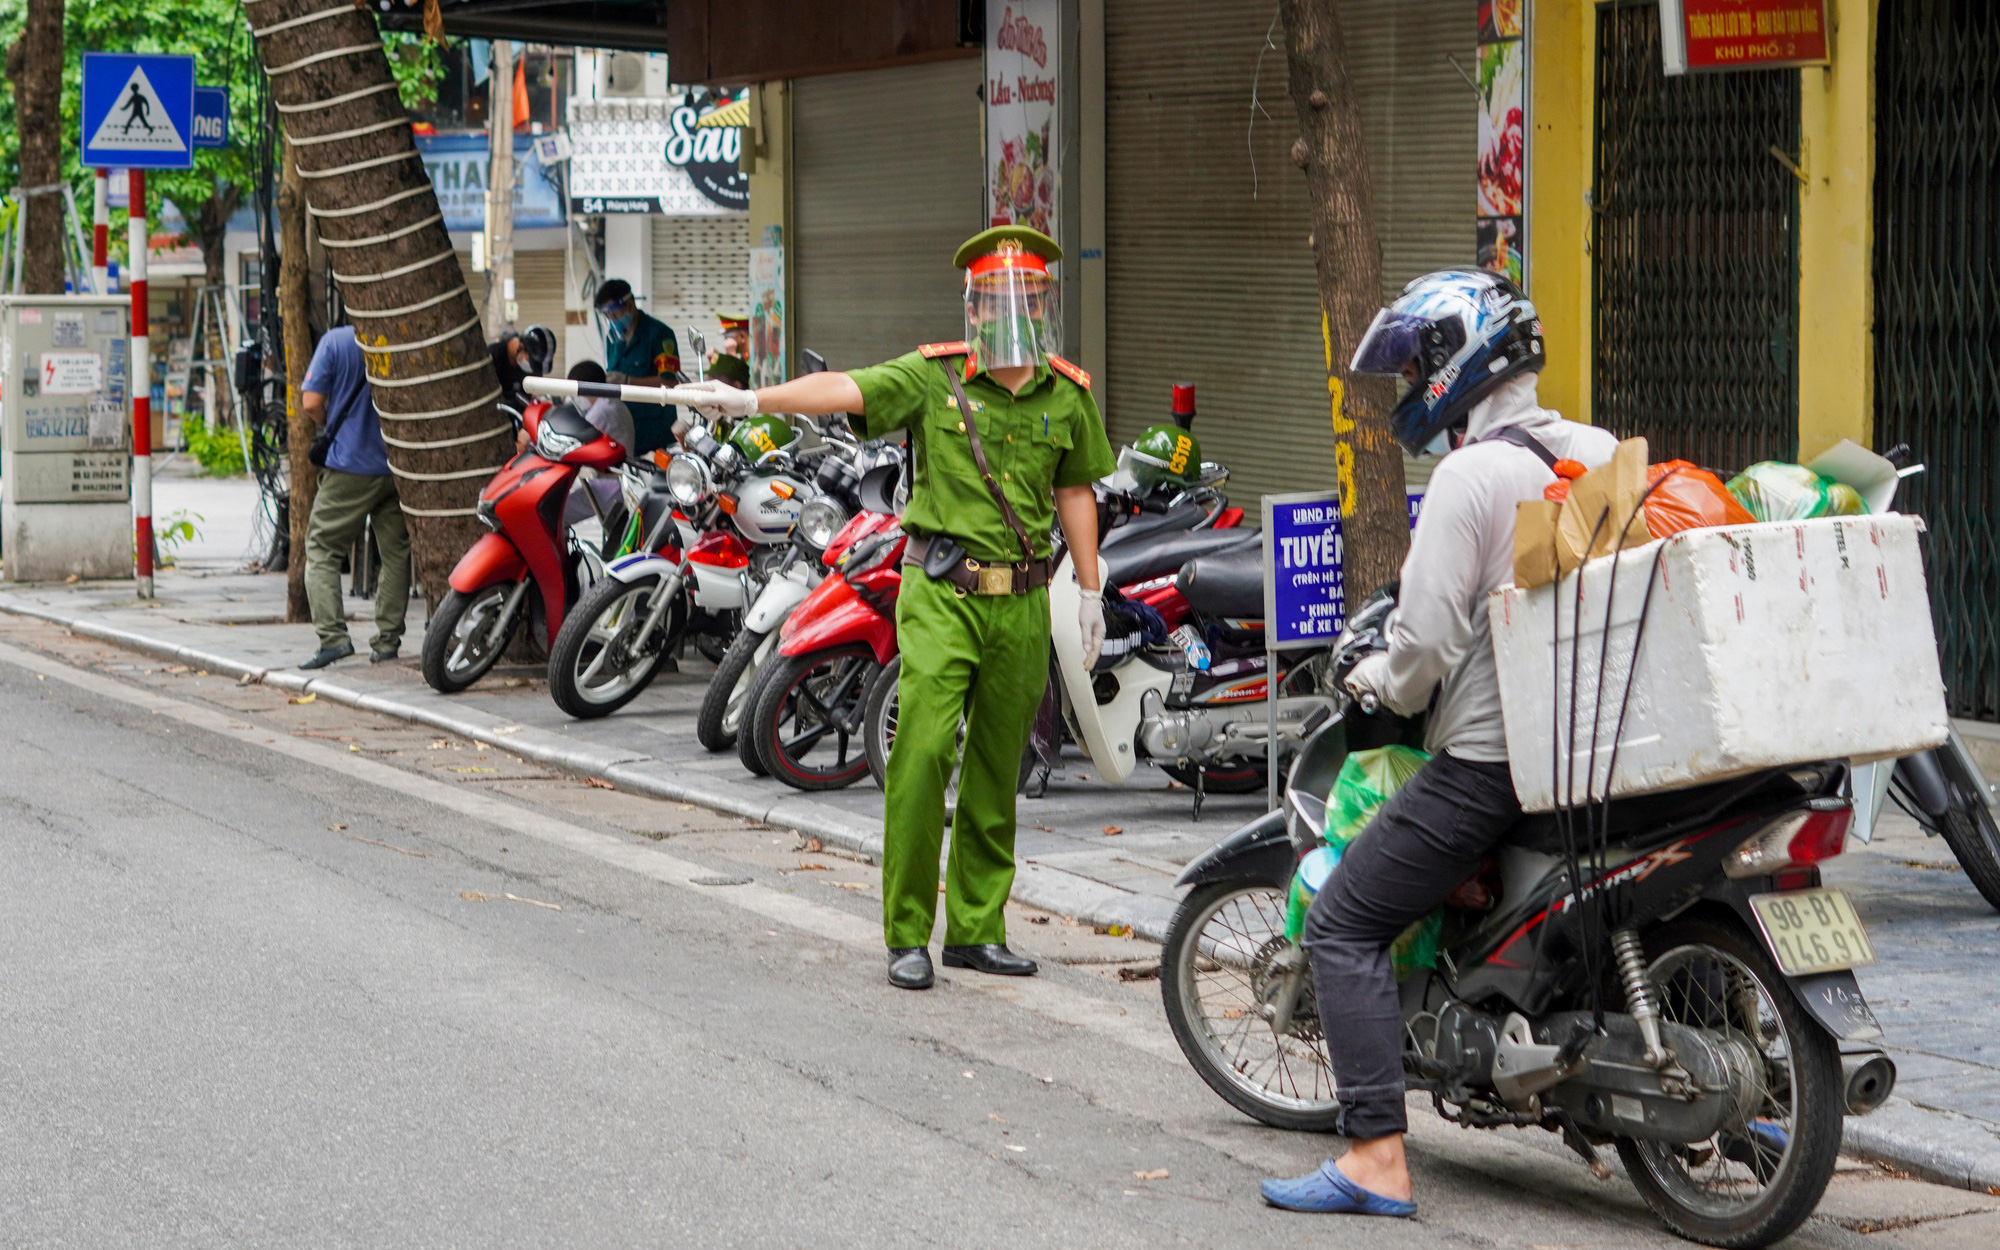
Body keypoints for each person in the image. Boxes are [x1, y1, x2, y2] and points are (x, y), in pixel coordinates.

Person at [1260, 269, 1618, 1218]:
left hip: (1492, 767)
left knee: (1343, 921)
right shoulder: (1590, 450)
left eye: (1419, 362)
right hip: (1597, 756)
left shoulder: (1471, 475)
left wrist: (1371, 679)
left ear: (1460, 360)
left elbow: (1422, 648)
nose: (1413, 383)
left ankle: (1375, 1156)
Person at [680, 226, 1116, 991]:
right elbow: (845, 388)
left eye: (1026, 300)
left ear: (1046, 306)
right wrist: (751, 398)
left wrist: (1088, 588)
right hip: (943, 594)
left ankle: (977, 929)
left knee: (997, 765)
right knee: (919, 754)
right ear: (974, 308)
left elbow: (1076, 490)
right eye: (996, 300)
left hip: (1019, 600)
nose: (1011, 314)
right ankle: (908, 931)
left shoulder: (1067, 393)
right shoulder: (935, 378)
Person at [298, 325, 411, 670]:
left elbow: (311, 401)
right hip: (395, 465)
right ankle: (388, 642)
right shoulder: (402, 336)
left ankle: (333, 639)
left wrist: (331, 422)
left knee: (321, 547)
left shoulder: (337, 342)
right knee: (395, 554)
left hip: (348, 466)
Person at [593, 278, 680, 454]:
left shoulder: (659, 335)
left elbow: (671, 383)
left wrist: (628, 380)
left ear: (630, 305)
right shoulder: (613, 339)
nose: (612, 319)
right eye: (607, 316)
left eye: (614, 313)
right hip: (623, 430)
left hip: (655, 434)